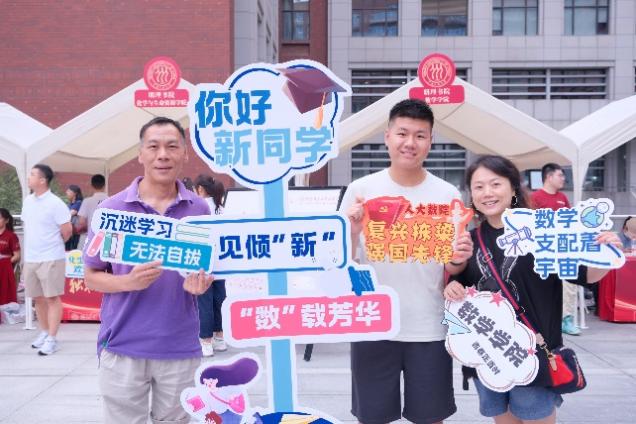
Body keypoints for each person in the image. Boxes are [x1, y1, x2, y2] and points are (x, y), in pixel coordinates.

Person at [444, 155, 620, 424]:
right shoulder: (471, 240)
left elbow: (587, 275)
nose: (487, 192)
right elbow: (462, 287)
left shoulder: (543, 233)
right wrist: (453, 287)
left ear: (513, 188)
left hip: (534, 356)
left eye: (495, 184)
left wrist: (606, 254)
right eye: (478, 187)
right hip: (489, 354)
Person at [341, 99, 473, 424]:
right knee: (373, 418)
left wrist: (459, 260)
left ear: (430, 141)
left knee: (430, 417)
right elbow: (341, 262)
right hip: (373, 323)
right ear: (387, 137)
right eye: (402, 133)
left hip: (428, 326)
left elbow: (451, 268)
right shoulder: (361, 190)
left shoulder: (447, 195)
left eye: (420, 135)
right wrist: (352, 233)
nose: (410, 143)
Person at [82, 117, 213, 424]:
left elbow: (206, 268)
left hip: (180, 346)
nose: (162, 155)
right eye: (153, 147)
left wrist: (200, 285)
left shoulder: (199, 210)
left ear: (184, 154)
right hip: (122, 344)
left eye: (172, 146)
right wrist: (128, 281)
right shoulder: (111, 210)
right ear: (140, 154)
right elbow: (91, 276)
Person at [21, 164, 72, 355]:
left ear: (42, 180)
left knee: (52, 298)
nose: (29, 177)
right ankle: (44, 332)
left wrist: (53, 245)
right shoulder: (28, 201)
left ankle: (52, 338)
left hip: (51, 257)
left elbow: (67, 231)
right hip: (31, 257)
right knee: (38, 298)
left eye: (32, 174)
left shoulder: (55, 203)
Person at [530, 163, 580, 336]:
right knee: (543, 285)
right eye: (560, 175)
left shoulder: (562, 198)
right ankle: (542, 319)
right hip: (543, 249)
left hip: (564, 247)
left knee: (569, 283)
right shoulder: (535, 197)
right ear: (549, 177)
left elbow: (571, 221)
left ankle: (566, 319)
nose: (563, 179)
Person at [194, 174, 228, 356]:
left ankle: (206, 341)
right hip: (221, 260)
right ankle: (219, 338)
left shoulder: (198, 207)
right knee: (219, 300)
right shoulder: (220, 208)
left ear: (200, 189)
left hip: (203, 260)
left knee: (204, 302)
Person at [75, 174, 108, 249]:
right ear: (104, 185)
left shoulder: (87, 201)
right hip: (106, 240)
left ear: (91, 185)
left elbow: (81, 222)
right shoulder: (111, 200)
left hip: (90, 238)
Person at [0, 208, 20, 305]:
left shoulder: (11, 236)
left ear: (7, 220)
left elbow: (17, 256)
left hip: (4, 268)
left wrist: (4, 262)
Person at [64, 184, 83, 250]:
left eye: (69, 191)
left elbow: (69, 215)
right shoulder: (70, 204)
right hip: (69, 231)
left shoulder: (78, 203)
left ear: (75, 193)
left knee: (71, 250)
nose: (66, 192)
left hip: (74, 232)